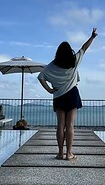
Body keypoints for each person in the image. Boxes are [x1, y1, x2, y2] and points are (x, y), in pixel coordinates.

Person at [37, 28, 98, 161]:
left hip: (58, 96)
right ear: (69, 51)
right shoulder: (74, 60)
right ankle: (69, 154)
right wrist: (92, 37)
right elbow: (84, 48)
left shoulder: (51, 66)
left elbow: (40, 76)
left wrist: (48, 89)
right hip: (72, 94)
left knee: (60, 125)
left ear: (58, 53)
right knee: (70, 125)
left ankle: (60, 153)